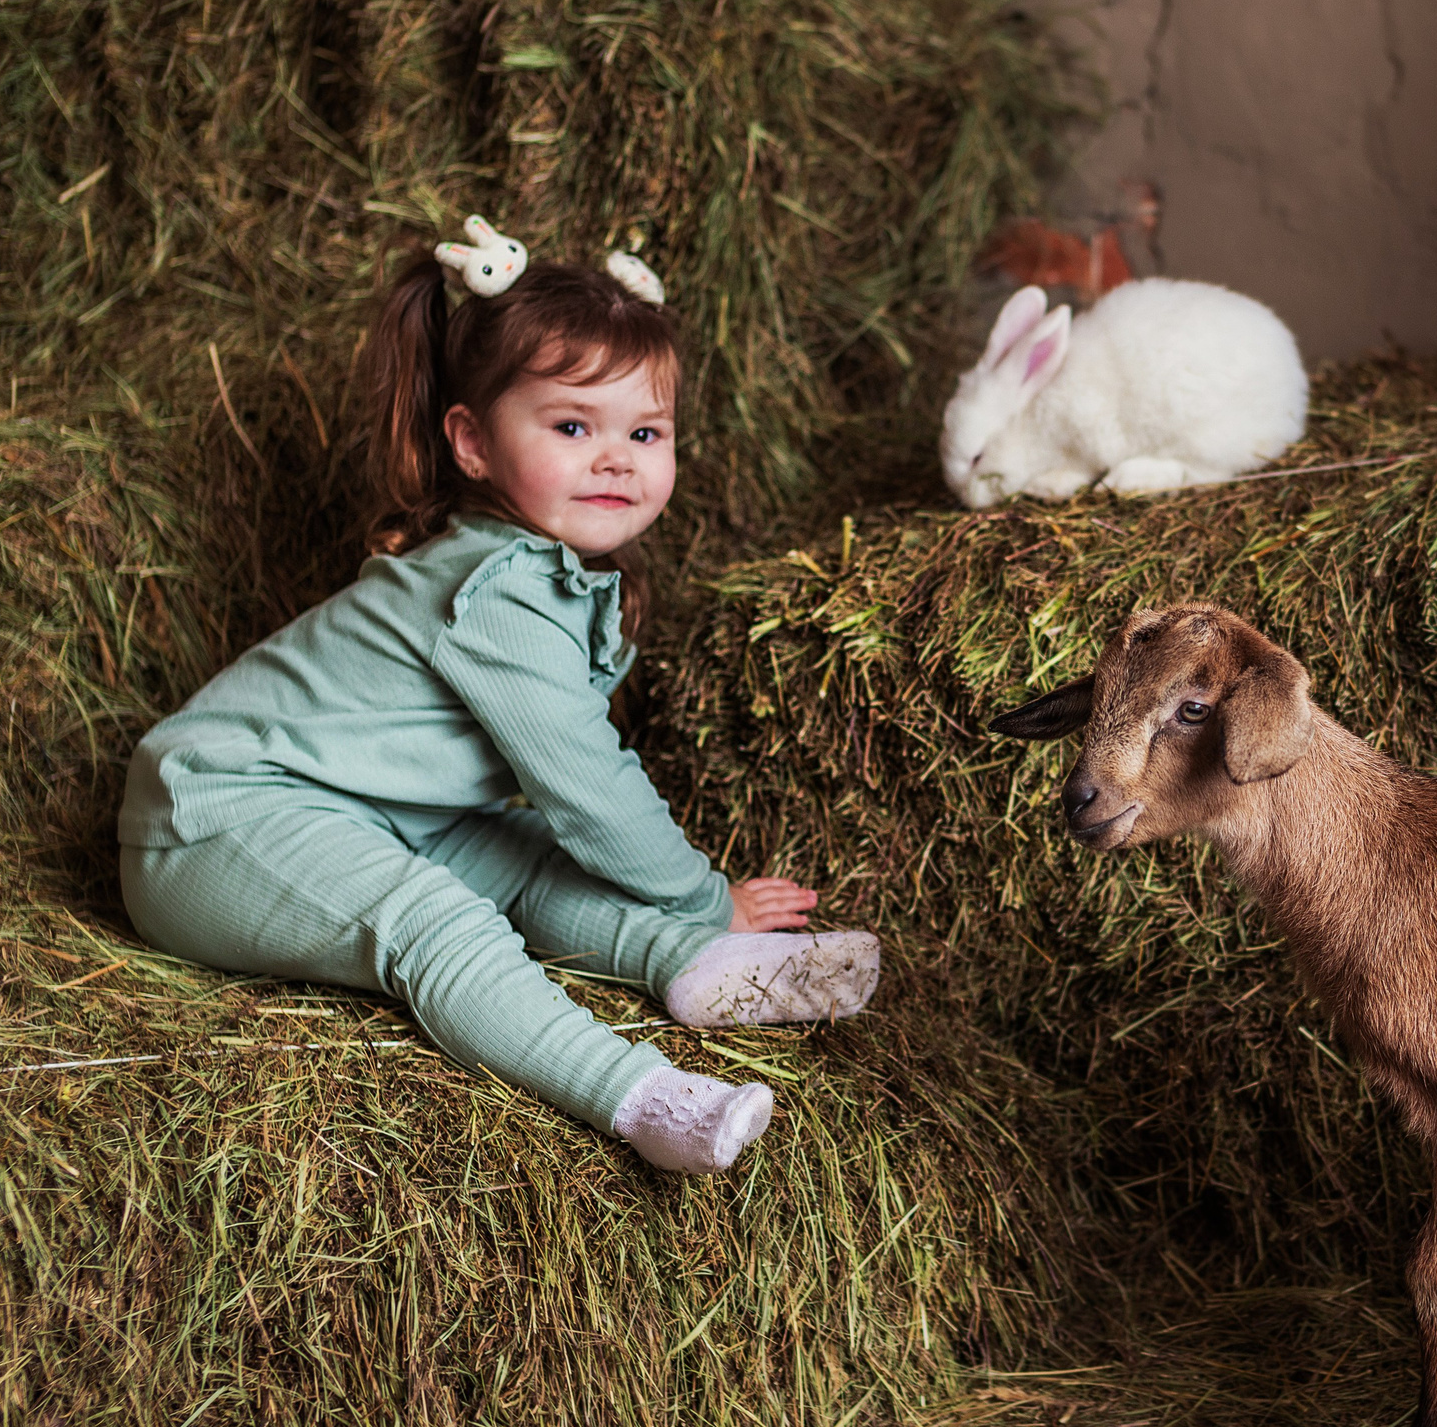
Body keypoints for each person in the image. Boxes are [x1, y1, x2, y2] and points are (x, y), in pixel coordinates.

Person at [117, 221, 877, 1174]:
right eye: (572, 426)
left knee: (522, 857)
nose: (616, 458)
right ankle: (640, 1094)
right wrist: (705, 895)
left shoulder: (534, 571)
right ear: (473, 443)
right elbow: (588, 786)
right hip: (215, 820)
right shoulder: (498, 590)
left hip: (376, 812)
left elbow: (557, 816)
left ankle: (692, 967)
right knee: (436, 919)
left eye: (644, 432)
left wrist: (688, 920)